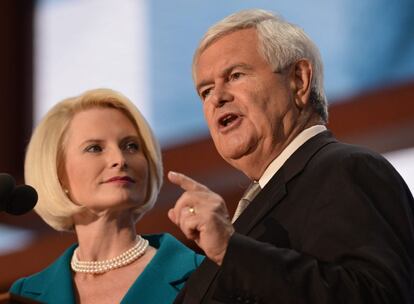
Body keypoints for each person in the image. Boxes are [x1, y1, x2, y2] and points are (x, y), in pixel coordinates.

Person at [167, 9, 414, 304]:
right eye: (205, 91)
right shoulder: (250, 209)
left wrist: (230, 251)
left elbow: (377, 297)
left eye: (235, 75)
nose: (217, 98)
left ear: (298, 79)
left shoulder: (347, 169)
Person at [9, 89, 204, 303]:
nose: (119, 159)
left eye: (131, 146)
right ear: (58, 174)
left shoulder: (200, 274)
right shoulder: (25, 293)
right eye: (95, 148)